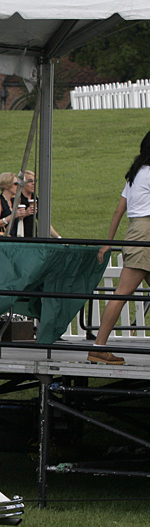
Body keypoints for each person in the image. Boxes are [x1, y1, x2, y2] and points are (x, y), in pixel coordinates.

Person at [89, 130, 150, 365]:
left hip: (135, 233)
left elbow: (118, 211)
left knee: (122, 293)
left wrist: (109, 243)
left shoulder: (135, 174)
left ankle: (99, 346)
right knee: (122, 293)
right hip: (145, 234)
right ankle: (98, 347)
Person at [17, 170, 62, 238]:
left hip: (33, 237)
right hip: (19, 237)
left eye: (35, 181)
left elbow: (44, 223)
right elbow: (11, 219)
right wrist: (26, 213)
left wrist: (58, 238)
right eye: (30, 181)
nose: (33, 183)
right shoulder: (17, 199)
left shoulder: (36, 199)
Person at [0, 172, 28, 237]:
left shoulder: (14, 201)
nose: (18, 186)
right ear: (7, 186)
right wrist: (14, 215)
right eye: (15, 184)